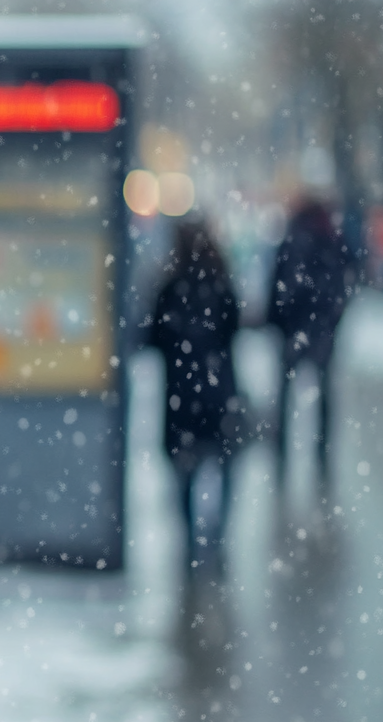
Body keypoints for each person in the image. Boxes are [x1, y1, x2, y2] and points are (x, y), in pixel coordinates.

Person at [151, 221, 242, 581]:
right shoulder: (221, 284)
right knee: (222, 465)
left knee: (184, 474)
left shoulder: (169, 287)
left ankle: (189, 542)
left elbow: (152, 337)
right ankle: (216, 538)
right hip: (219, 393)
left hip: (180, 398)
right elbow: (234, 327)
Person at [267, 199, 352, 487]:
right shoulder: (332, 240)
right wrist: (331, 320)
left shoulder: (293, 240)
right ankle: (321, 458)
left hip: (295, 330)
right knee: (323, 400)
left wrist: (280, 322)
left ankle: (283, 457)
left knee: (286, 398)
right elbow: (343, 286)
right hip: (320, 332)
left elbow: (279, 286)